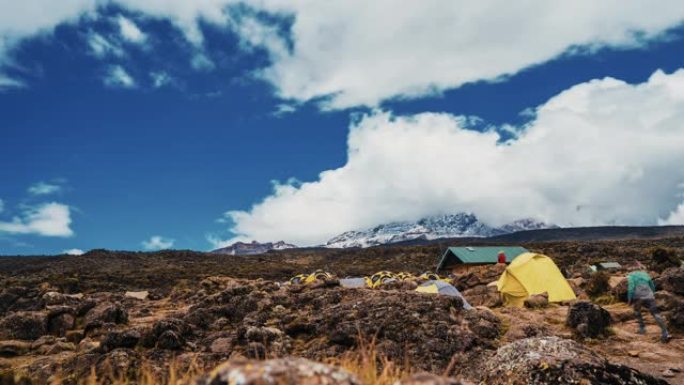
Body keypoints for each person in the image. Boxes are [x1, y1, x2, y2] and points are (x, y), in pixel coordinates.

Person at [627, 270, 670, 342]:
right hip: (650, 296)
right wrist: (652, 294)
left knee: (637, 311)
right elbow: (652, 286)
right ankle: (665, 332)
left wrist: (629, 299)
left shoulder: (631, 276)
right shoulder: (646, 275)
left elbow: (631, 288)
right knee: (656, 314)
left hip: (638, 297)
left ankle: (642, 328)